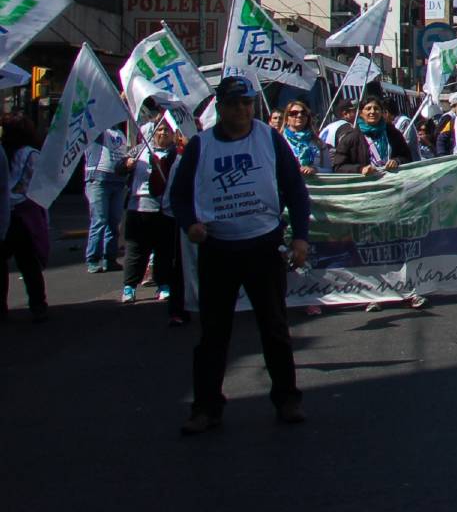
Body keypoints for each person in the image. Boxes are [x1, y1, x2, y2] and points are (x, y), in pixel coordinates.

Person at [168, 75, 310, 433]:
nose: (243, 110)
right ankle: (206, 407)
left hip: (263, 245)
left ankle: (287, 399)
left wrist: (300, 238)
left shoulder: (268, 138)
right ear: (221, 107)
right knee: (214, 334)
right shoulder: (201, 146)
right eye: (234, 104)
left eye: (247, 103)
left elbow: (295, 187)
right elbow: (180, 196)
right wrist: (189, 225)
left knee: (274, 328)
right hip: (219, 249)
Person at [121, 119, 185, 309]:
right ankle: (129, 286)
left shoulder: (176, 154)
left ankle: (163, 284)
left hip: (163, 209)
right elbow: (120, 167)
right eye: (160, 130)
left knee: (164, 251)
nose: (163, 133)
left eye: (167, 130)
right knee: (135, 250)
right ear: (153, 132)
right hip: (138, 207)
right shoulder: (139, 150)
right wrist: (126, 165)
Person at [1, 113, 48, 322]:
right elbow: (35, 185)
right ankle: (38, 304)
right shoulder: (31, 154)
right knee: (28, 263)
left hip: (4, 211)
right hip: (23, 213)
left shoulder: (4, 152)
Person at [83, 124, 130, 273]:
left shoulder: (121, 134)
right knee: (99, 220)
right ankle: (93, 259)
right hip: (98, 180)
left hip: (118, 181)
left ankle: (110, 258)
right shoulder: (97, 129)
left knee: (114, 221)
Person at [332, 95, 411, 174]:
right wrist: (360, 169)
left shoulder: (393, 134)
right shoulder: (351, 138)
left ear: (381, 112)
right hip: (366, 184)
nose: (372, 112)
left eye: (376, 109)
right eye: (368, 108)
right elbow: (338, 167)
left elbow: (407, 157)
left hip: (392, 182)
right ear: (360, 113)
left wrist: (396, 161)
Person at [277, 102, 322, 176]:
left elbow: (329, 169)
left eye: (303, 113)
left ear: (307, 117)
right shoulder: (279, 141)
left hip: (314, 185)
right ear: (286, 118)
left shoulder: (318, 142)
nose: (299, 115)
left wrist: (315, 170)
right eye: (294, 113)